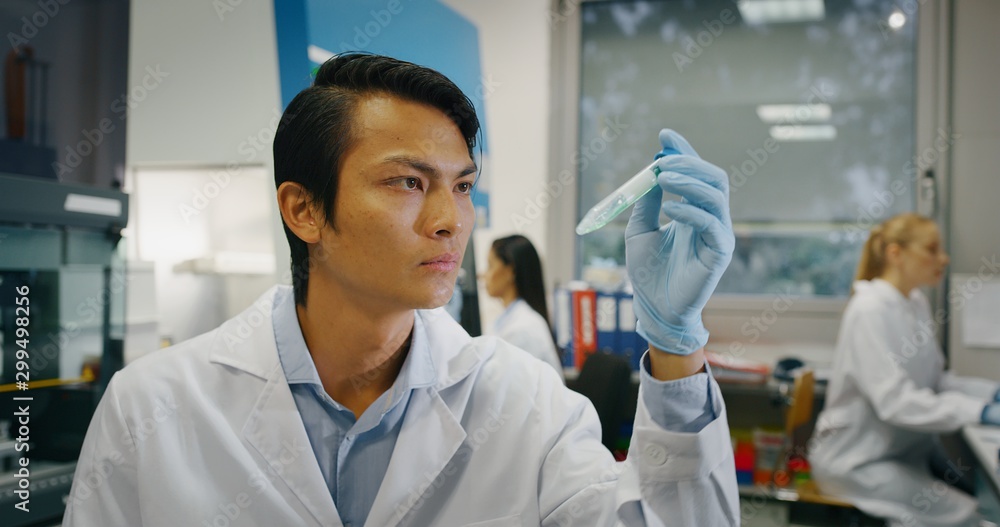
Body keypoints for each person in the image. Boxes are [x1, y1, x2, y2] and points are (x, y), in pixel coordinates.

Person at [63, 53, 739, 526]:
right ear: (303, 210)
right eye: (408, 182)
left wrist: (676, 343)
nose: (450, 220)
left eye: (463, 185)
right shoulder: (152, 407)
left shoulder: (525, 404)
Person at [809, 213, 1000, 527]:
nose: (944, 258)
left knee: (975, 502)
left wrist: (991, 394)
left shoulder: (915, 304)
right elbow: (894, 401)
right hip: (857, 463)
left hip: (903, 453)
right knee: (970, 517)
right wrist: (980, 412)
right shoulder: (868, 310)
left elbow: (938, 381)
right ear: (895, 254)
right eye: (931, 249)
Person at [483, 234, 563, 378]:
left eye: (490, 266)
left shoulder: (523, 328)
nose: (484, 275)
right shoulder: (510, 318)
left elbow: (510, 391)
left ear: (510, 271)